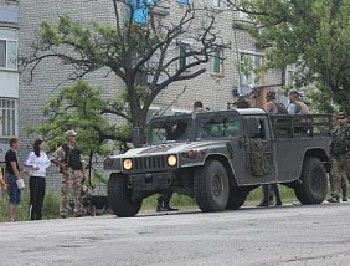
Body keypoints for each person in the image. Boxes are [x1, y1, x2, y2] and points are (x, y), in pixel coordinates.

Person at [51, 130, 85, 218]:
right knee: (65, 193)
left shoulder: (77, 149)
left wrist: (84, 173)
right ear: (68, 137)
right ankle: (64, 212)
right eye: (73, 136)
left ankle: (79, 211)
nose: (74, 138)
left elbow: (82, 162)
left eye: (75, 136)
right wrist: (61, 164)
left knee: (79, 193)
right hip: (68, 172)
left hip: (77, 172)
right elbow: (53, 159)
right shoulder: (62, 149)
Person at [257, 91, 282, 207]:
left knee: (267, 176)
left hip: (269, 138)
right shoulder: (278, 105)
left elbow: (264, 115)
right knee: (271, 177)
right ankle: (276, 199)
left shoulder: (270, 105)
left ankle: (268, 199)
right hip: (274, 136)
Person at [25, 139, 51, 220]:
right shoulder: (32, 154)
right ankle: (32, 215)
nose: (44, 146)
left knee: (41, 197)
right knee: (34, 197)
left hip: (42, 177)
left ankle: (39, 215)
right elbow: (27, 164)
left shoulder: (44, 154)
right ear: (39, 145)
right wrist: (34, 166)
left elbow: (48, 163)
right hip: (35, 177)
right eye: (43, 144)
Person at [328, 112, 350, 203]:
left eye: (342, 118)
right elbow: (332, 143)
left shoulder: (348, 129)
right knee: (334, 175)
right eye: (339, 118)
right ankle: (335, 195)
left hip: (347, 155)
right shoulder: (335, 130)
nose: (340, 119)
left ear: (346, 119)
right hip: (336, 156)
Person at [5, 138, 21, 222]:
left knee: (17, 198)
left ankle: (13, 216)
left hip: (16, 176)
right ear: (13, 144)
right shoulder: (10, 153)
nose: (19, 145)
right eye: (18, 143)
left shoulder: (15, 153)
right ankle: (11, 217)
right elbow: (13, 167)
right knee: (13, 197)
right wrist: (19, 179)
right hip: (12, 177)